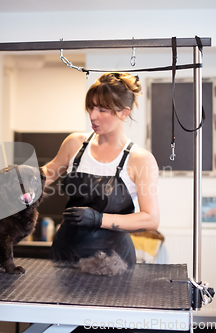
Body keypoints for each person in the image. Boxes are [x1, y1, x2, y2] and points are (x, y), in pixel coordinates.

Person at [41, 72, 160, 266]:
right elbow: (48, 173)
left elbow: (151, 219)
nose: (93, 115)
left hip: (114, 262)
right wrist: (23, 179)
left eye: (103, 110)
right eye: (91, 107)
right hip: (66, 255)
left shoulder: (140, 159)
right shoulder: (75, 144)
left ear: (124, 112)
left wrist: (98, 218)